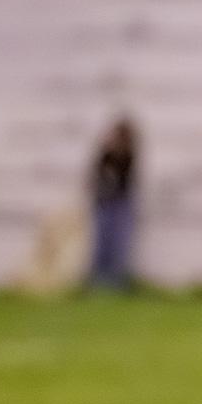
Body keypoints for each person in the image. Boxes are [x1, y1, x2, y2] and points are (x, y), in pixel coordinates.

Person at [87, 116, 138, 289]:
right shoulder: (106, 154)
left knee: (119, 244)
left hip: (120, 203)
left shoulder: (128, 155)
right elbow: (96, 176)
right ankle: (97, 282)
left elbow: (125, 179)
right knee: (102, 242)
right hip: (104, 202)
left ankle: (116, 282)